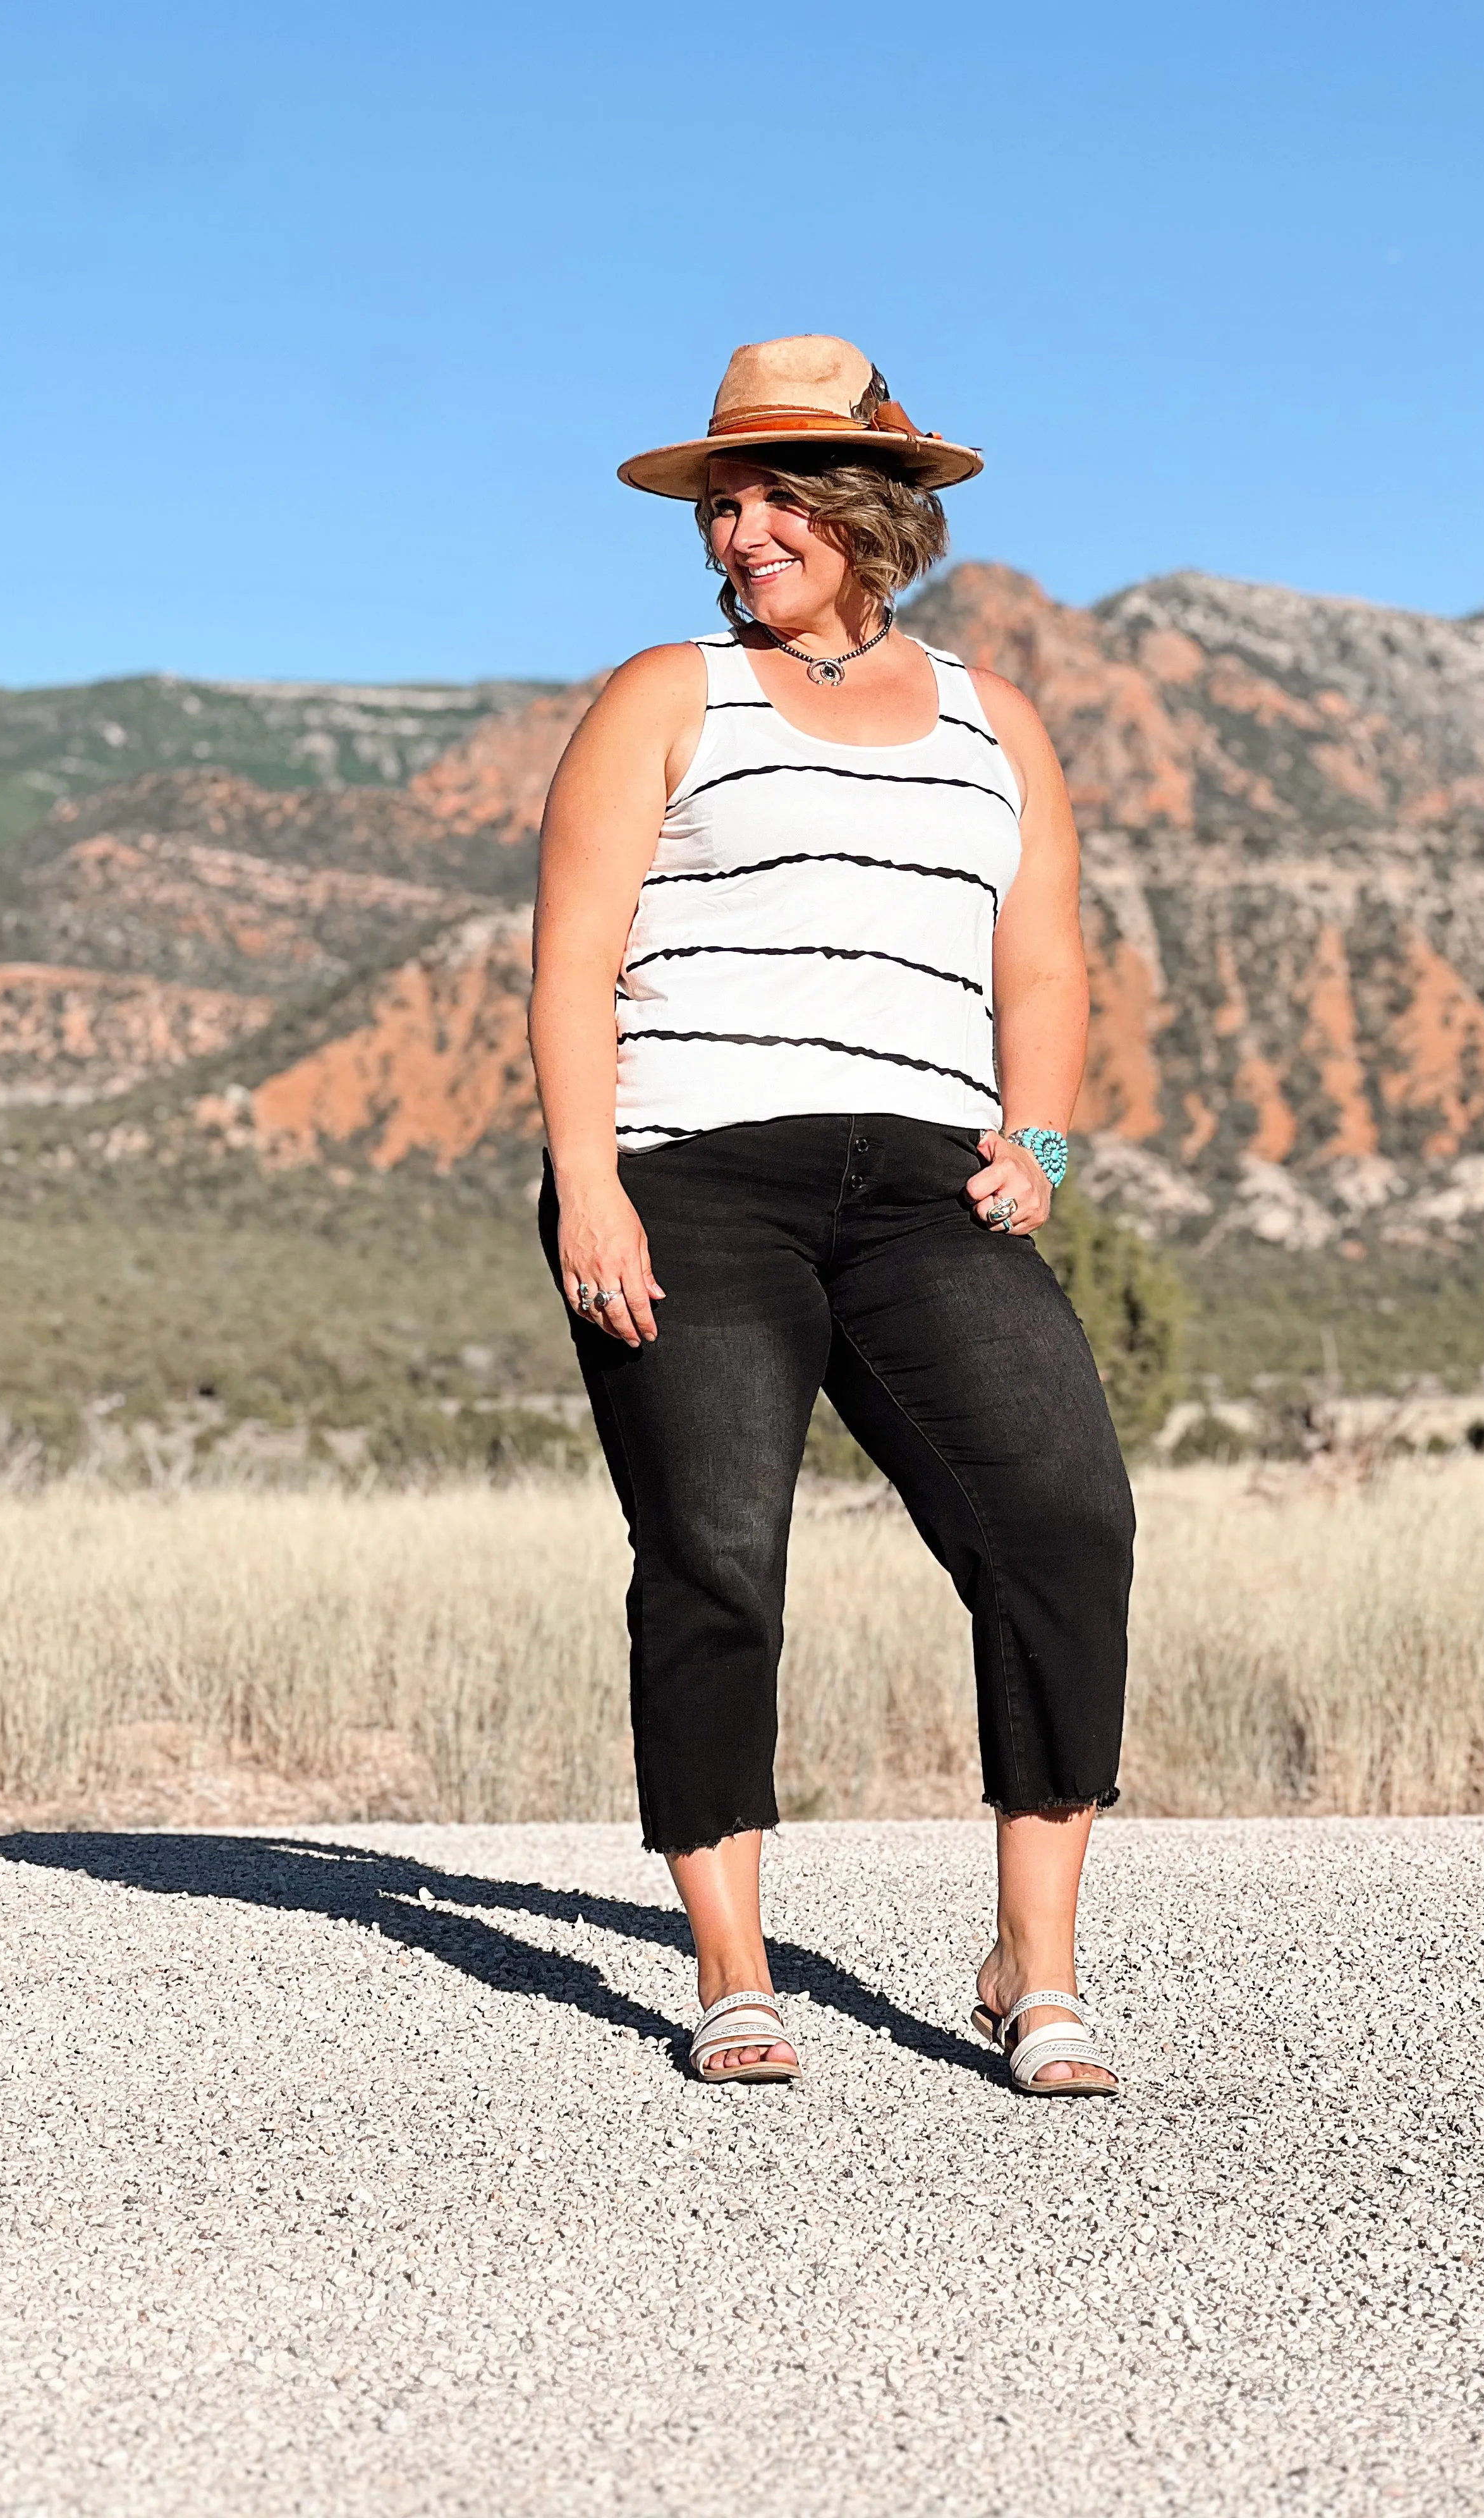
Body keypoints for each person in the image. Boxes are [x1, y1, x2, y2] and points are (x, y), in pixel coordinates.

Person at [528, 336, 1133, 2096]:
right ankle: (734, 1968)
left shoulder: (988, 719)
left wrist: (1047, 1144)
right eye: (725, 507)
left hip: (929, 1191)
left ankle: (1037, 1962)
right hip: (692, 1178)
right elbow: (573, 964)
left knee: (1064, 1521)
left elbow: (1044, 956)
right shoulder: (666, 697)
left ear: (870, 512)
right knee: (716, 1556)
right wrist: (592, 1191)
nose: (742, 535)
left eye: (777, 498)